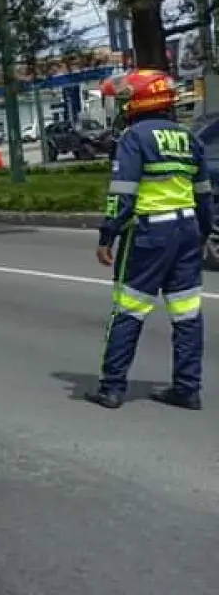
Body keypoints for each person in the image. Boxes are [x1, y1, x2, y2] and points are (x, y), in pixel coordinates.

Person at [89, 69, 212, 410]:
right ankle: (188, 389)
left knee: (129, 309)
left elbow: (122, 195)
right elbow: (203, 195)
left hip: (148, 235)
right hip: (187, 233)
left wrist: (107, 235)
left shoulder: (134, 137)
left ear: (140, 100)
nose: (124, 104)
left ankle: (112, 387)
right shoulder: (190, 139)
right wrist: (203, 233)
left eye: (127, 97)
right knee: (187, 315)